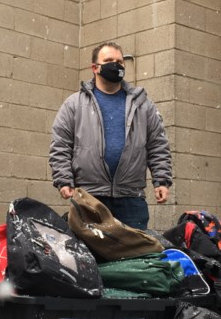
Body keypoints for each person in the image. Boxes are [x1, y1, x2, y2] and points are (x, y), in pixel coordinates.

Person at [49, 41, 173, 230]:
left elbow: (158, 145)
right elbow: (61, 145)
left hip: (131, 199)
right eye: (108, 60)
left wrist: (161, 180)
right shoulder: (74, 104)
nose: (116, 65)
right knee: (91, 257)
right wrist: (64, 180)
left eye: (120, 62)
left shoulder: (143, 104)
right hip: (89, 197)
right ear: (95, 68)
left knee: (133, 256)